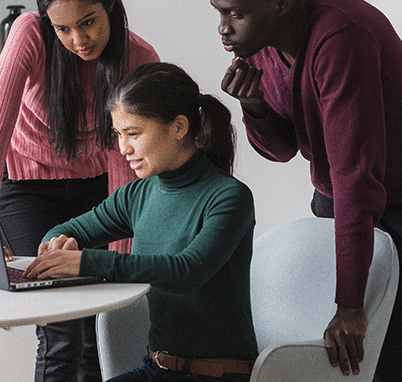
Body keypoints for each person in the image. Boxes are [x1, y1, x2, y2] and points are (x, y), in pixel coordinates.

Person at [209, 0, 402, 382]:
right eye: (220, 12)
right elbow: (284, 150)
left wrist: (351, 306)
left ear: (282, 3)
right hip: (339, 186)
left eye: (235, 13)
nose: (223, 28)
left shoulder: (340, 38)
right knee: (335, 352)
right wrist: (255, 107)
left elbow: (358, 178)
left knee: (396, 355)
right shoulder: (261, 44)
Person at [0, 0, 159, 382]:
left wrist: (117, 274)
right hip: (27, 187)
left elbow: (124, 163)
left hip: (98, 191)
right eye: (64, 29)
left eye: (89, 22)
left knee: (97, 323)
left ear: (109, 4)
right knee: (61, 328)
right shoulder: (28, 35)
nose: (79, 39)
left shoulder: (138, 57)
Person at [23, 62, 259, 382]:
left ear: (179, 127)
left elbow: (185, 272)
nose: (124, 148)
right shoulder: (139, 194)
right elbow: (73, 229)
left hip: (216, 375)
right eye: (119, 135)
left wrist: (86, 262)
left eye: (133, 133)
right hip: (156, 369)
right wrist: (57, 244)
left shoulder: (230, 198)